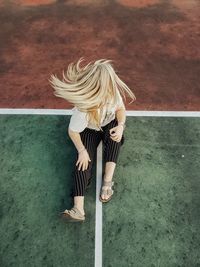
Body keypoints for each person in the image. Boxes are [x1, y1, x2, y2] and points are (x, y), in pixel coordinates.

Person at [49, 58, 136, 222]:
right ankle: (78, 209)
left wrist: (121, 125)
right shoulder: (83, 108)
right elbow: (73, 131)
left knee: (115, 138)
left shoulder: (112, 91)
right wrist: (82, 151)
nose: (111, 85)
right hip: (90, 129)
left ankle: (107, 181)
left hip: (108, 122)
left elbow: (120, 109)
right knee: (82, 163)